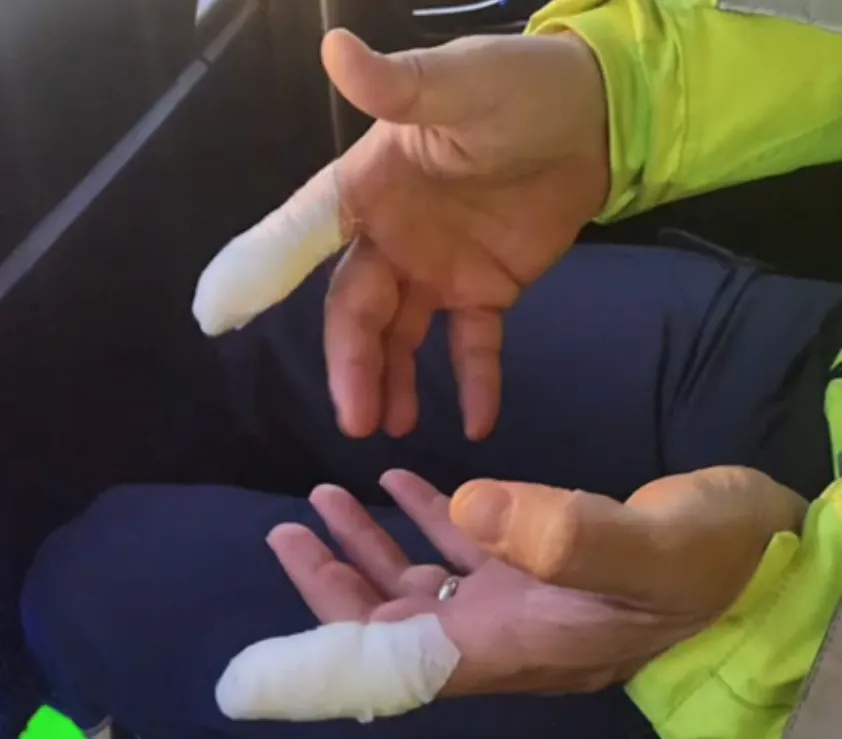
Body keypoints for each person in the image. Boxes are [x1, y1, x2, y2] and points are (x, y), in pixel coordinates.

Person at [17, 0, 842, 737]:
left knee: (92, 584)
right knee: (290, 326)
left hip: (784, 684)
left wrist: (747, 632)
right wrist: (617, 93)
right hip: (811, 372)